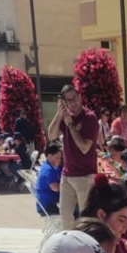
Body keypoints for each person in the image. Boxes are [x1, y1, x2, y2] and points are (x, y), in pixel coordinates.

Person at [46, 83, 99, 230]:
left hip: (85, 175)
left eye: (75, 98)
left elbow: (84, 147)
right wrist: (59, 114)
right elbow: (51, 135)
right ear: (64, 102)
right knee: (65, 217)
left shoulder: (90, 118)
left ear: (80, 97)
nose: (73, 102)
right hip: (67, 175)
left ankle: (87, 242)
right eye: (69, 100)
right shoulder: (65, 117)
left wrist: (70, 125)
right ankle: (69, 242)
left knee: (86, 218)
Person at [35, 143, 62, 215]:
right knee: (71, 213)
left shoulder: (55, 168)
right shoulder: (48, 170)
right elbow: (55, 188)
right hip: (47, 206)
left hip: (51, 203)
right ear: (50, 156)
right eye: (57, 157)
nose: (60, 160)